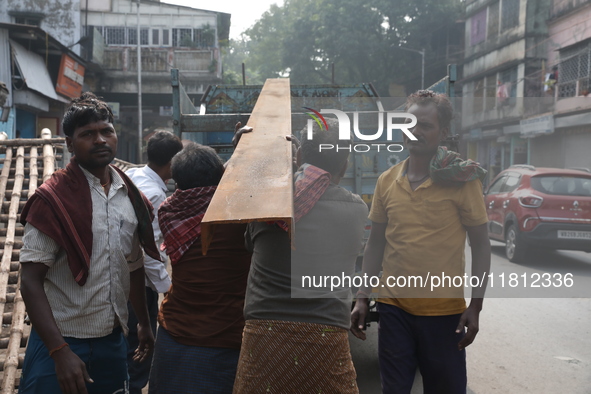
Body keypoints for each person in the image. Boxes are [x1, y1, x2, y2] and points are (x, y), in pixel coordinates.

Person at [350, 90, 491, 394]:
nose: (415, 130)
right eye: (409, 123)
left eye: (425, 126)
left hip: (444, 314)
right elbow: (375, 244)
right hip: (393, 309)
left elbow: (481, 245)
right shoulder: (386, 180)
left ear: (443, 133)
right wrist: (362, 297)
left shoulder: (461, 182)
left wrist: (476, 305)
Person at [19, 92, 160, 394]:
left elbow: (133, 266)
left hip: (112, 339)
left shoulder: (128, 194)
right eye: (87, 134)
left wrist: (144, 324)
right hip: (60, 344)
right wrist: (59, 352)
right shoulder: (52, 200)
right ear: (69, 144)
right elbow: (30, 280)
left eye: (106, 131)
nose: (100, 140)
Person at [232, 122, 368, 393]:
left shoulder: (268, 202)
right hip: (326, 334)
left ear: (298, 157)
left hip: (264, 332)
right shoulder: (357, 210)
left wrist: (249, 166)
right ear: (344, 167)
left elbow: (249, 242)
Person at [148, 142, 251, 394]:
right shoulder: (240, 218)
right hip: (226, 337)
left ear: (176, 181)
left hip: (174, 335)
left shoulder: (169, 211)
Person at [125, 130, 183, 394]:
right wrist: (168, 288)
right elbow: (149, 250)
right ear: (172, 163)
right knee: (140, 344)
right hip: (139, 283)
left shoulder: (137, 175)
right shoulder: (157, 196)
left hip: (122, 275)